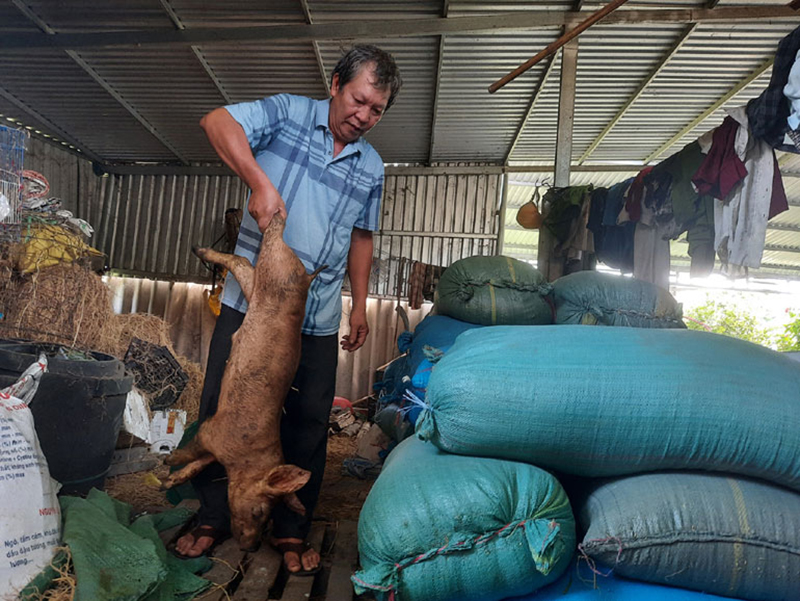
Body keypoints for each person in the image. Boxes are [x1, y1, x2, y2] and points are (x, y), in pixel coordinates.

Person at [174, 45, 402, 574]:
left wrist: (361, 306)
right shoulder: (287, 114)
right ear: (336, 83)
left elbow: (361, 237)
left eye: (376, 111)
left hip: (317, 315)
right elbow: (217, 121)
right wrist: (258, 180)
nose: (364, 117)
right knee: (222, 412)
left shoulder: (371, 165)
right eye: (359, 100)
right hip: (250, 307)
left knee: (308, 420)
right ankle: (212, 516)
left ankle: (291, 528)